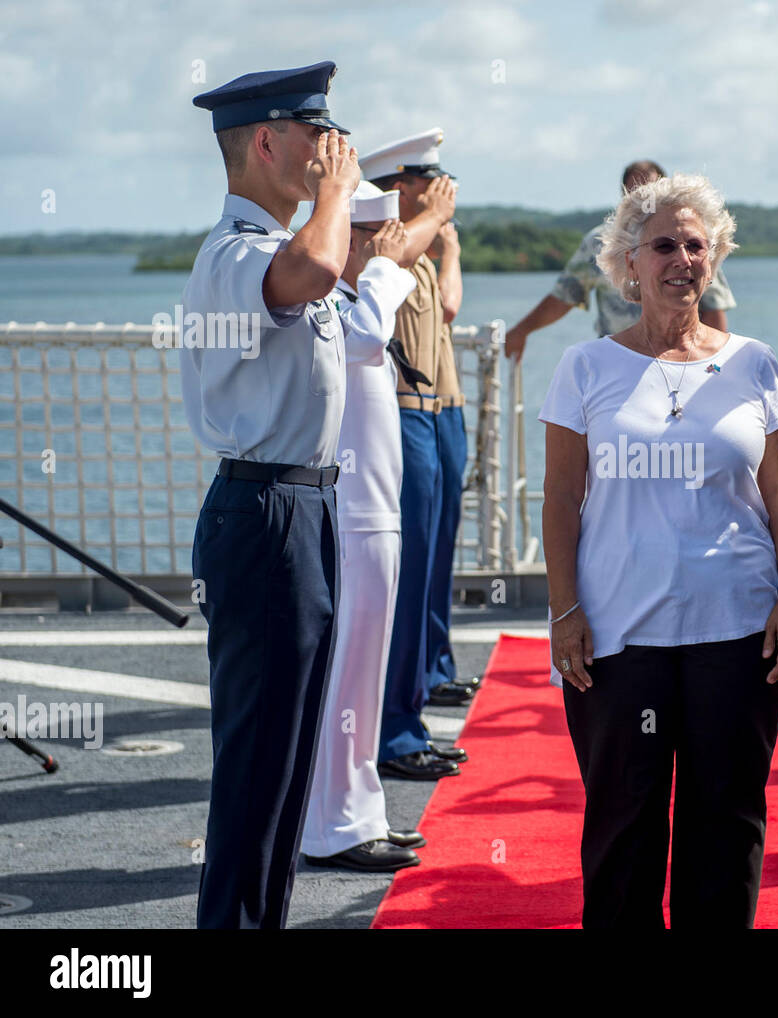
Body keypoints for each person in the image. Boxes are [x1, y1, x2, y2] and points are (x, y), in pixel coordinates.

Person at [540, 173, 778, 928]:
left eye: (697, 245)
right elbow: (561, 500)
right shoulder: (585, 369)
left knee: (726, 826)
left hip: (738, 631)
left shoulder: (754, 362)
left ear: (715, 258)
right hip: (621, 638)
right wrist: (564, 610)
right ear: (628, 262)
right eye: (664, 245)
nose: (681, 259)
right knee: (623, 828)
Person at [183, 60, 357, 928]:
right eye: (316, 136)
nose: (333, 151)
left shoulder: (276, 251)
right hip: (264, 515)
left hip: (303, 509)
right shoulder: (236, 257)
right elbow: (319, 269)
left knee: (285, 763)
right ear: (265, 140)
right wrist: (335, 193)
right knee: (255, 763)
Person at [300, 183, 426, 873]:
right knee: (346, 673)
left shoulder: (353, 300)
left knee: (364, 674)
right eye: (376, 239)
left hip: (375, 514)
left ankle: (360, 810)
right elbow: (369, 335)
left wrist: (380, 267)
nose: (386, 249)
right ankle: (334, 826)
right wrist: (381, 265)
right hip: (350, 517)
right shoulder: (334, 306)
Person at [360, 129, 474, 781]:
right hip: (403, 420)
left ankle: (407, 712)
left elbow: (449, 304)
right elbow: (389, 258)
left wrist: (443, 232)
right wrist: (434, 218)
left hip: (427, 417)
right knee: (399, 581)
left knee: (424, 564)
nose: (440, 191)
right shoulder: (389, 245)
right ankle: (395, 729)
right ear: (398, 187)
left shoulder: (420, 249)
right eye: (427, 182)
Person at [503, 161, 736, 360]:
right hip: (616, 358)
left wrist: (713, 364)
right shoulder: (600, 242)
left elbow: (714, 308)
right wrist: (521, 331)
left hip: (682, 357)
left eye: (650, 191)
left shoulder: (693, 243)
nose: (643, 199)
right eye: (635, 193)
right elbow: (564, 296)